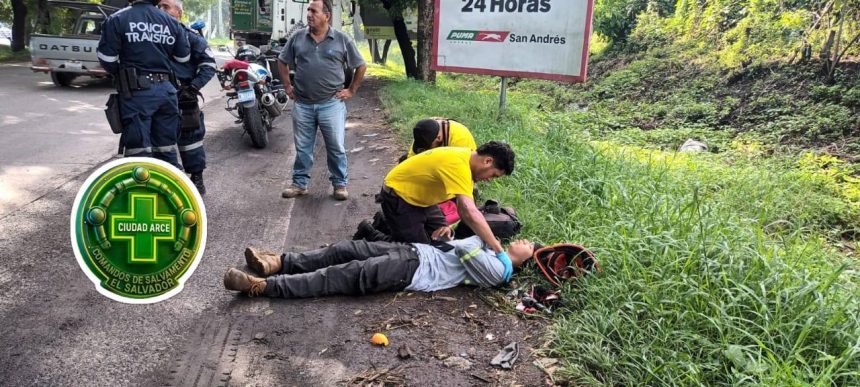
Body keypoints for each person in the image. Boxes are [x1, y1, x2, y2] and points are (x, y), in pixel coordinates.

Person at [223, 237, 536, 298]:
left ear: (524, 259)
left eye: (530, 246)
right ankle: (278, 262)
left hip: (413, 270)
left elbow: (468, 249)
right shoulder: (495, 257)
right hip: (414, 250)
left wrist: (492, 243)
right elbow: (458, 246)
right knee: (344, 249)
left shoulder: (500, 271)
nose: (524, 240)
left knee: (340, 276)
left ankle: (262, 286)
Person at [277, 0, 367, 201]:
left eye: (314, 11)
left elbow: (360, 65)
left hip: (331, 104)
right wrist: (287, 87)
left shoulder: (342, 39)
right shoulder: (298, 37)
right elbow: (282, 61)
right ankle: (300, 184)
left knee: (335, 145)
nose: (309, 14)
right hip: (303, 104)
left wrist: (351, 90)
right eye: (308, 10)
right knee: (303, 147)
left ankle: (339, 184)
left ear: (327, 16)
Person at [97, 0, 191, 169]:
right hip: (167, 93)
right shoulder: (171, 22)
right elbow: (183, 58)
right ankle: (168, 189)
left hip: (136, 94)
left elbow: (107, 59)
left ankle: (141, 191)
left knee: (138, 152)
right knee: (166, 147)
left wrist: (123, 73)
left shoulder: (118, 18)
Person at [376, 141, 514, 250]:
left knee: (444, 239)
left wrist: (449, 226)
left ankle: (390, 225)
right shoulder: (458, 165)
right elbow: (470, 211)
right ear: (488, 161)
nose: (490, 180)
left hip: (423, 200)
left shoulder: (467, 158)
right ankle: (371, 234)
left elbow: (463, 209)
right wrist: (497, 247)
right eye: (493, 175)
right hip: (399, 196)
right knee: (417, 251)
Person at [158, 0, 216, 195]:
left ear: (179, 13)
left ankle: (197, 179)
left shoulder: (191, 37)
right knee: (160, 141)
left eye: (166, 7)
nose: (161, 10)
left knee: (191, 139)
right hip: (158, 96)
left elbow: (209, 65)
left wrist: (192, 88)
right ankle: (167, 182)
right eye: (159, 6)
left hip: (183, 97)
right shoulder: (151, 37)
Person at [404, 118, 477, 160]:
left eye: (428, 147)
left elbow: (469, 167)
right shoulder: (424, 129)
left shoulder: (461, 137)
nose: (426, 150)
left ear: (438, 138)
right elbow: (410, 160)